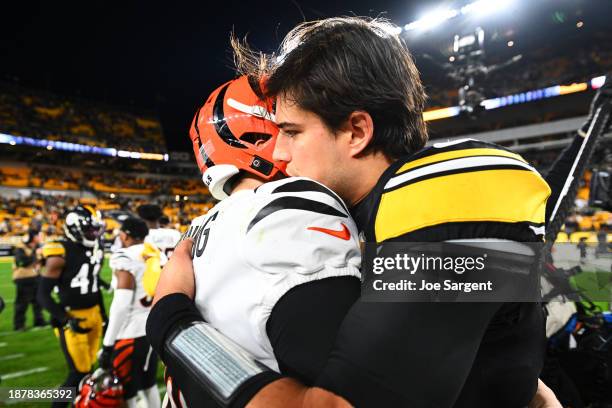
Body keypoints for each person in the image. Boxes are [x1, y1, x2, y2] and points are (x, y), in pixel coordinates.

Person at [149, 17, 595, 407]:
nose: (279, 153)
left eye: (291, 132)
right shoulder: (372, 213)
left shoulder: (447, 190)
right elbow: (486, 318)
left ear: (358, 131)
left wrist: (173, 322)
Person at [147, 75, 361, 407]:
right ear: (260, 135)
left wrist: (168, 320)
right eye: (289, 130)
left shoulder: (198, 228)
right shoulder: (285, 207)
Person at [38, 205, 106, 408]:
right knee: (79, 372)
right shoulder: (60, 252)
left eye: (95, 230)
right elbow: (42, 295)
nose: (93, 234)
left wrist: (103, 314)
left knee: (89, 369)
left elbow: (93, 284)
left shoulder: (94, 248)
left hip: (93, 314)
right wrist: (66, 319)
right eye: (89, 230)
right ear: (75, 228)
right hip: (72, 316)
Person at [97, 217, 161, 408]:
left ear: (125, 235)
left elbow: (121, 305)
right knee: (149, 384)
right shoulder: (154, 253)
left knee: (127, 389)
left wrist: (108, 344)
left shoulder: (124, 257)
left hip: (131, 333)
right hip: (152, 328)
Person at [12, 229, 46, 330]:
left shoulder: (36, 248)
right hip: (24, 278)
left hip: (36, 276)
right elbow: (22, 262)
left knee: (38, 301)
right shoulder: (20, 249)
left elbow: (42, 262)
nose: (39, 238)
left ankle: (39, 321)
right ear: (31, 238)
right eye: (37, 236)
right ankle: (19, 325)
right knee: (22, 303)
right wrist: (35, 256)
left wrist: (42, 259)